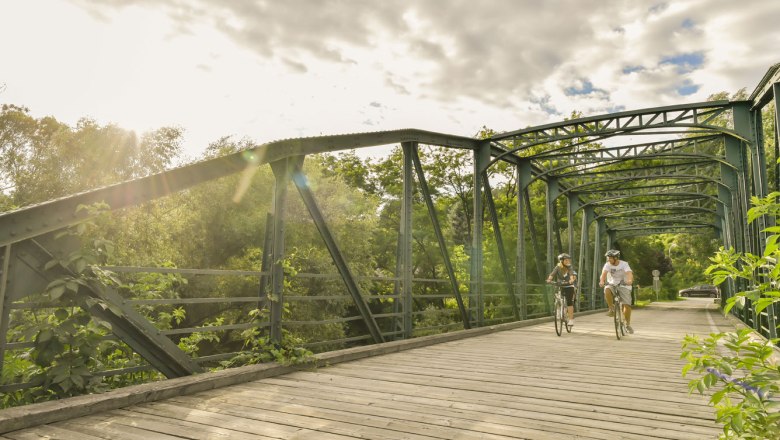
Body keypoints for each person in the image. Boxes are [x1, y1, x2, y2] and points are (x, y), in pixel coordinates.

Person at [599, 249, 634, 334]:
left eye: (610, 258)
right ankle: (611, 308)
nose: (608, 260)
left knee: (627, 305)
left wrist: (629, 280)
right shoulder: (607, 265)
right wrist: (602, 281)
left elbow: (629, 273)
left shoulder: (624, 264)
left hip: (624, 284)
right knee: (607, 289)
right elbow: (603, 274)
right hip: (612, 284)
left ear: (616, 258)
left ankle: (627, 324)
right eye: (608, 258)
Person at [546, 253, 578, 327]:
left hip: (569, 286)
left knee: (569, 302)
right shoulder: (558, 267)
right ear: (561, 261)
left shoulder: (570, 267)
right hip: (560, 285)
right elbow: (552, 274)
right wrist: (549, 279)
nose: (568, 261)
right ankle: (558, 309)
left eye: (568, 260)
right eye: (566, 260)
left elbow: (571, 275)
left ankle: (571, 320)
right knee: (557, 297)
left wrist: (571, 280)